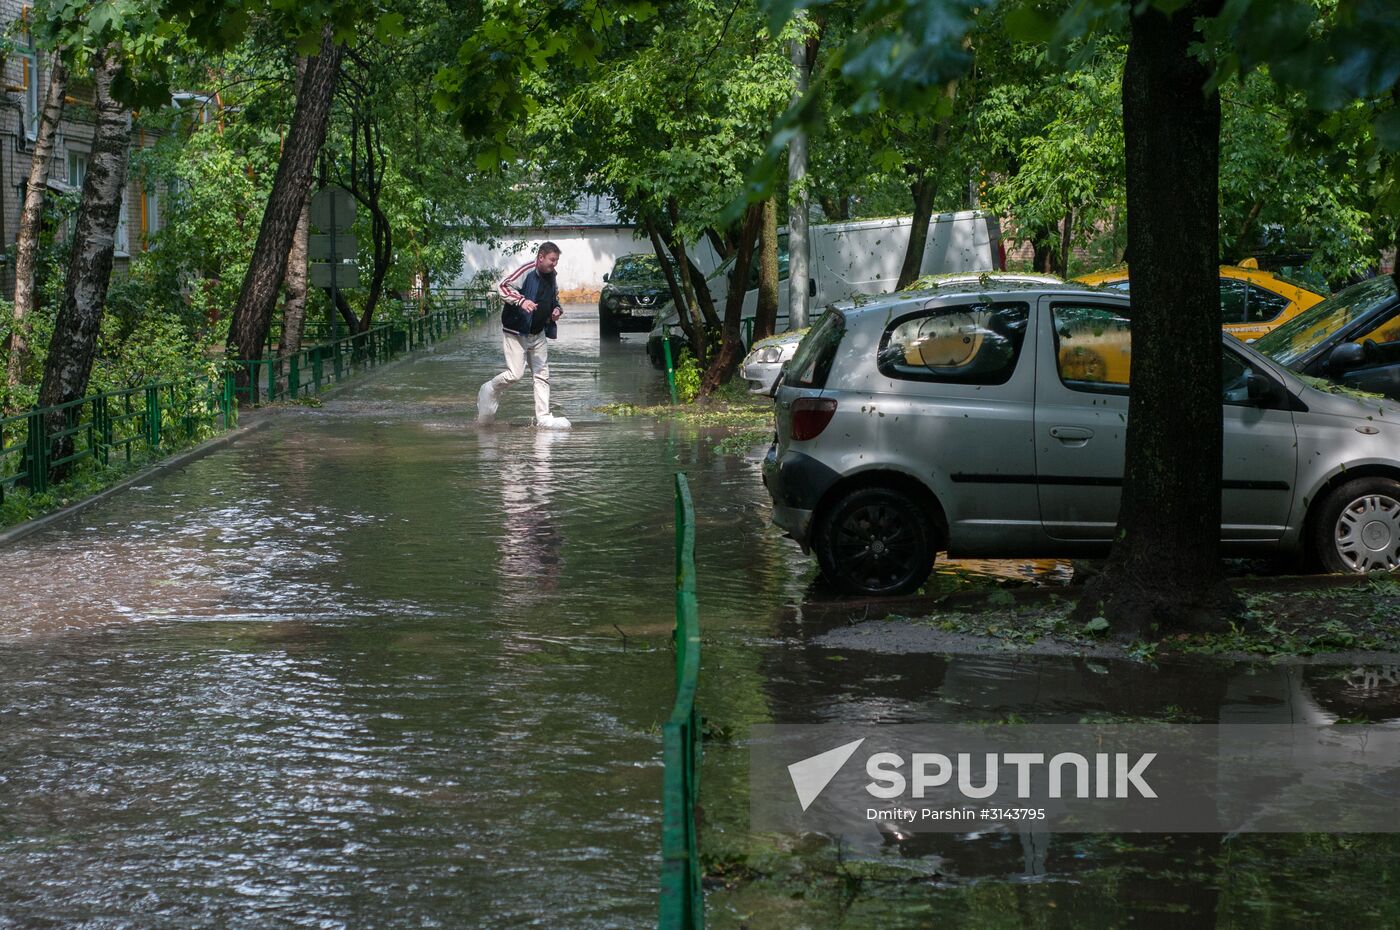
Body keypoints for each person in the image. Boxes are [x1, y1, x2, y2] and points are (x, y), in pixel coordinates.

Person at [477, 242, 571, 428]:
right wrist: (521, 301)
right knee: (515, 374)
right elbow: (502, 287)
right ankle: (489, 388)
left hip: (538, 332)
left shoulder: (552, 276)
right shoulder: (527, 271)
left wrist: (557, 310)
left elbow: (555, 299)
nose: (555, 264)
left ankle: (543, 417)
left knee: (542, 375)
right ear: (541, 257)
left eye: (557, 260)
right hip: (516, 332)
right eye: (552, 260)